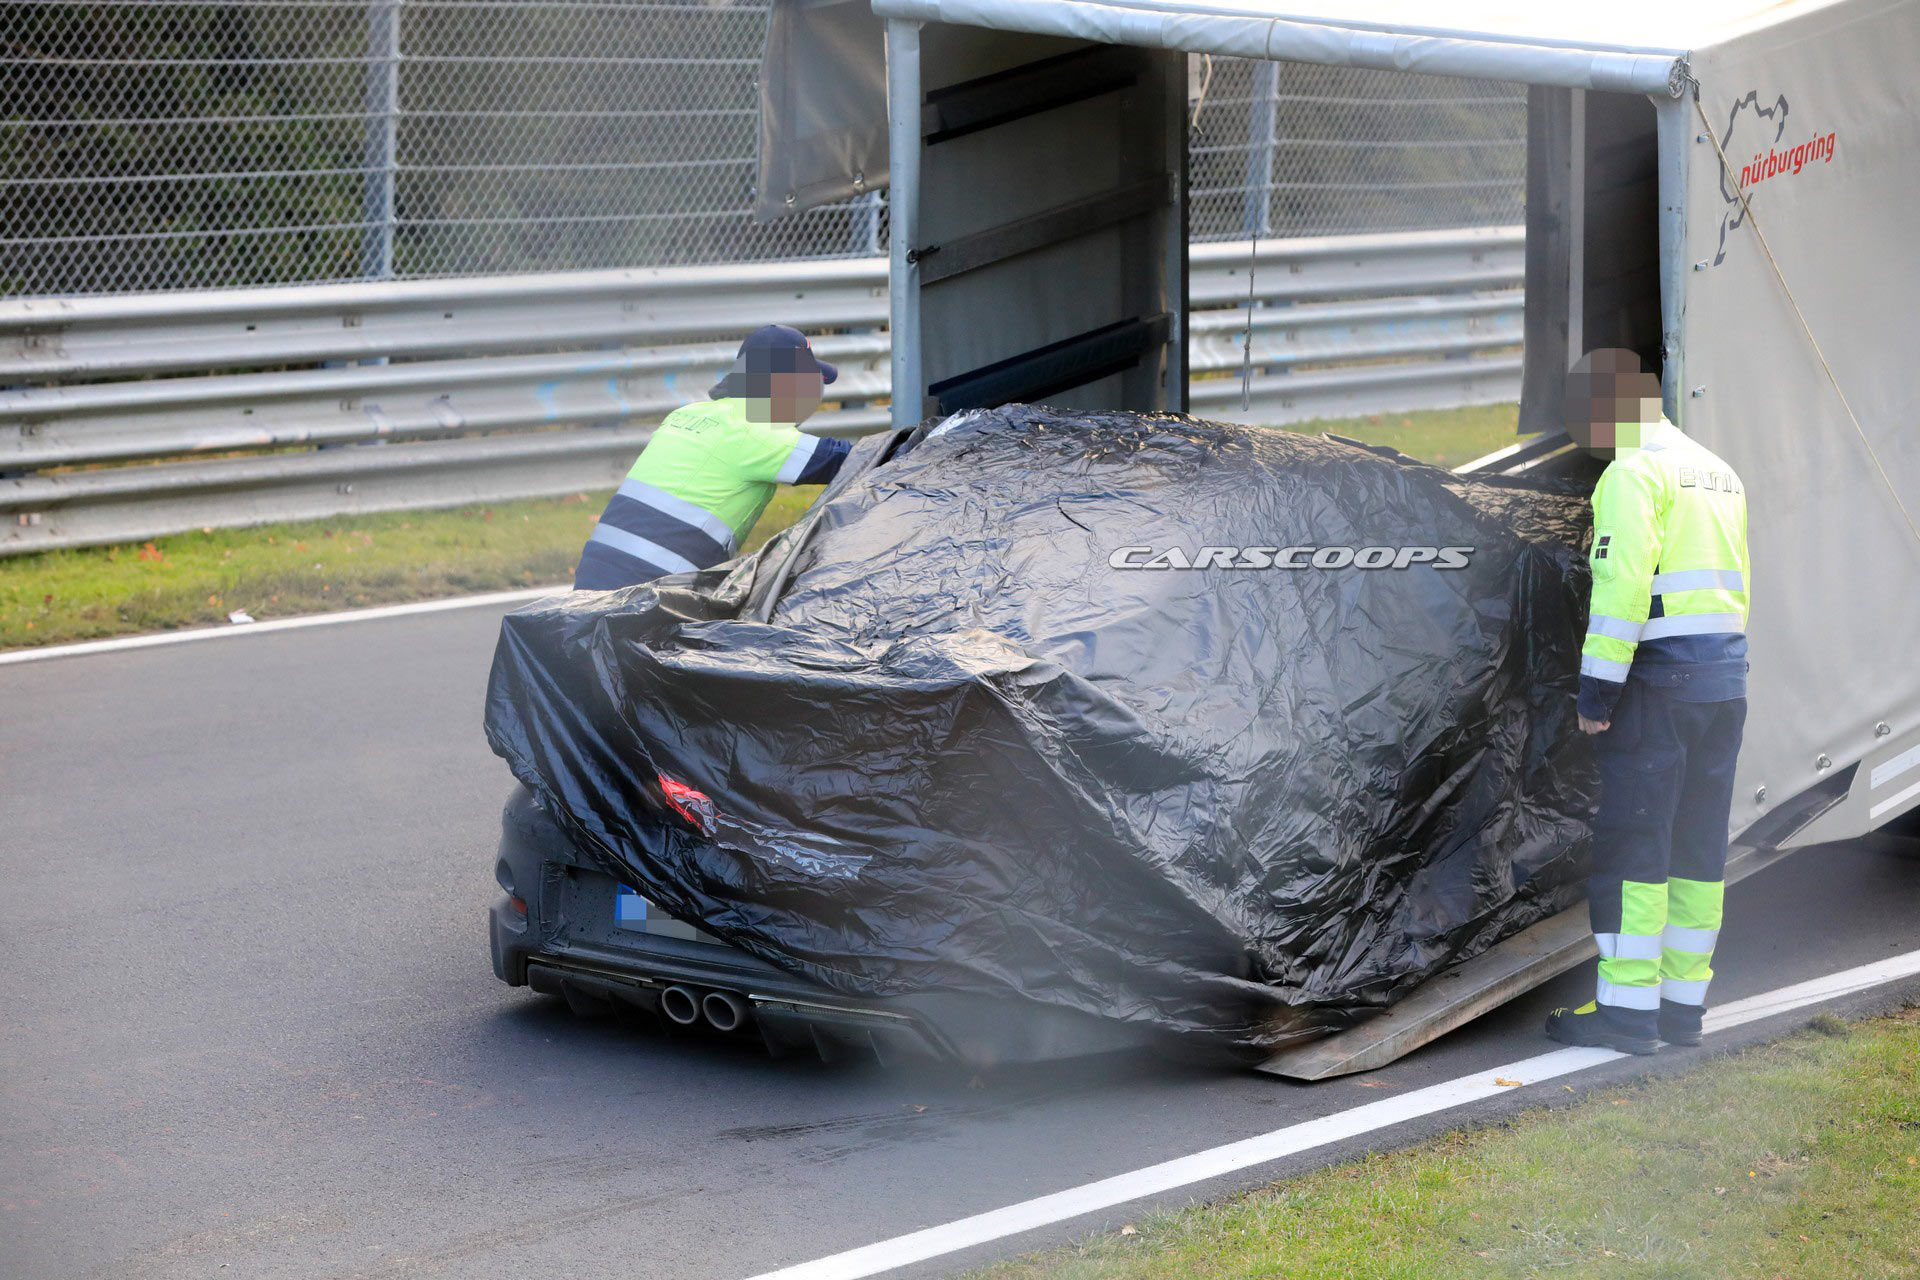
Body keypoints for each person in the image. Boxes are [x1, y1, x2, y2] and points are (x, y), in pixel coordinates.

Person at [1545, 348, 1751, 1056]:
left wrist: (1596, 696)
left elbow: (1622, 593)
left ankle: (1627, 1015)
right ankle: (1680, 1009)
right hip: (1725, 681)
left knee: (1636, 844)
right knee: (1697, 845)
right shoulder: (1717, 471)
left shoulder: (1633, 473)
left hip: (1659, 686)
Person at [573, 324, 852, 590]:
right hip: (651, 592)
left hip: (591, 580)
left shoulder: (688, 413)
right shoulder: (757, 430)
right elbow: (850, 459)